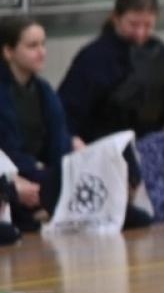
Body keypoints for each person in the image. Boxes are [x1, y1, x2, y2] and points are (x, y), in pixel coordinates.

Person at [57, 0, 164, 221]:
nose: (141, 33)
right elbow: (67, 109)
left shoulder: (159, 53)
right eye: (133, 25)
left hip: (153, 140)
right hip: (109, 144)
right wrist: (73, 138)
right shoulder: (93, 58)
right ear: (116, 18)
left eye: (148, 26)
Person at [0, 15, 151, 233]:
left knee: (121, 152)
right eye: (32, 46)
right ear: (8, 51)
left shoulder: (44, 90)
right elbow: (8, 151)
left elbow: (60, 142)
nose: (41, 52)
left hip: (49, 172)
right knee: (50, 182)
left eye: (43, 44)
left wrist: (70, 163)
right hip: (22, 175)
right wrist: (39, 169)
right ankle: (49, 209)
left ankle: (57, 208)